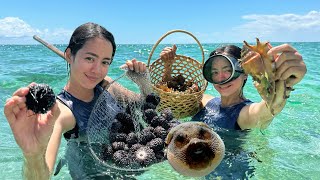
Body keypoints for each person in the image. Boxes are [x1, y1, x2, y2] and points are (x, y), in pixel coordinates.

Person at [4, 22, 151, 179]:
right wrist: (33, 155)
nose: (97, 70)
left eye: (105, 62)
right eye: (89, 58)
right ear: (69, 55)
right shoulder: (63, 111)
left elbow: (147, 106)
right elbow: (42, 175)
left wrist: (143, 82)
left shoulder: (108, 86)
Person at [160, 43, 306, 130]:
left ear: (245, 74)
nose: (221, 78)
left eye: (228, 70)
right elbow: (170, 97)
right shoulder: (205, 101)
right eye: (214, 72)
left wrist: (284, 81)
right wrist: (168, 66)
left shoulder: (245, 113)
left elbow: (268, 109)